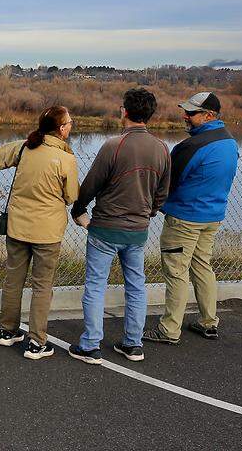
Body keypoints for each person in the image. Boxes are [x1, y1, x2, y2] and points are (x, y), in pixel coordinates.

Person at [67, 88, 170, 364]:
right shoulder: (162, 148)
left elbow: (91, 184)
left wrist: (78, 209)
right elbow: (162, 192)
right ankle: (133, 344)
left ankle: (90, 345)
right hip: (137, 231)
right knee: (136, 285)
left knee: (96, 285)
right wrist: (148, 213)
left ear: (124, 111)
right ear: (149, 114)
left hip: (105, 227)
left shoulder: (114, 145)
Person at [0, 106, 79, 360]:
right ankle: (36, 343)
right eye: (70, 123)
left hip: (17, 228)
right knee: (42, 286)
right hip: (47, 233)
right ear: (62, 129)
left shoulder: (24, 147)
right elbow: (72, 195)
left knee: (13, 280)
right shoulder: (65, 159)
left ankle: (7, 331)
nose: (71, 126)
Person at [144, 92, 238, 344]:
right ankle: (208, 322)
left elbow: (168, 183)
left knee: (176, 271)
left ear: (209, 116)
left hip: (185, 218)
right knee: (202, 267)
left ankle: (169, 329)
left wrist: (153, 205)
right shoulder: (230, 142)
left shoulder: (191, 146)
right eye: (185, 111)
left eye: (191, 113)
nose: (185, 116)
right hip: (213, 217)